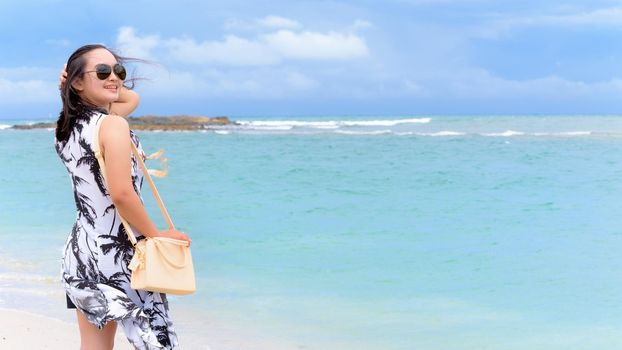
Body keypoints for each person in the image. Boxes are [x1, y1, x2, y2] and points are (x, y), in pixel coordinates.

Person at [54, 44, 190, 350]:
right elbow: (122, 194)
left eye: (119, 71)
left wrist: (78, 82)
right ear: (77, 81)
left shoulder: (67, 128)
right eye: (103, 71)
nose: (114, 78)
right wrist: (156, 239)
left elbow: (131, 97)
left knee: (94, 346)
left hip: (82, 251)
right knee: (158, 344)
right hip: (122, 255)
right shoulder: (113, 124)